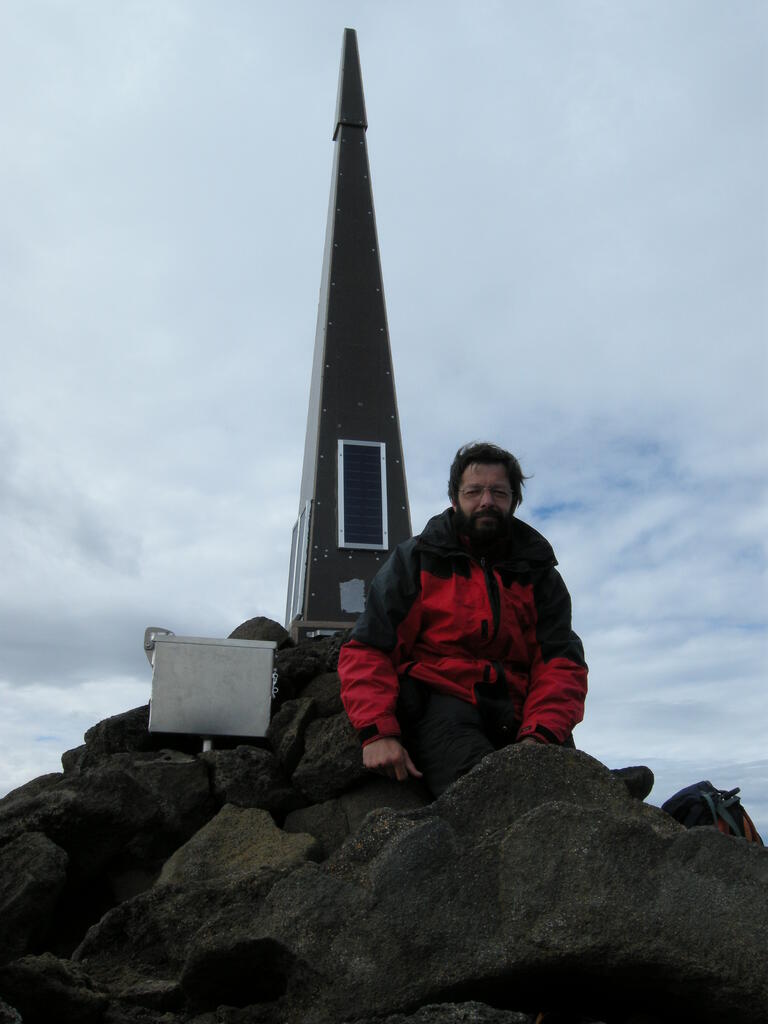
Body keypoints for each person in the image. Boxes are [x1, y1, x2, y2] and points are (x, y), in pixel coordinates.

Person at [337, 441, 589, 797]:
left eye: (499, 492)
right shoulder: (417, 560)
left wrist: (541, 735)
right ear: (455, 499)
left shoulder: (538, 573)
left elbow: (561, 663)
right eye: (474, 491)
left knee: (566, 798)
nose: (487, 500)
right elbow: (368, 648)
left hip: (521, 711)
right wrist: (378, 732)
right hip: (445, 702)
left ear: (513, 501)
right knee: (484, 798)